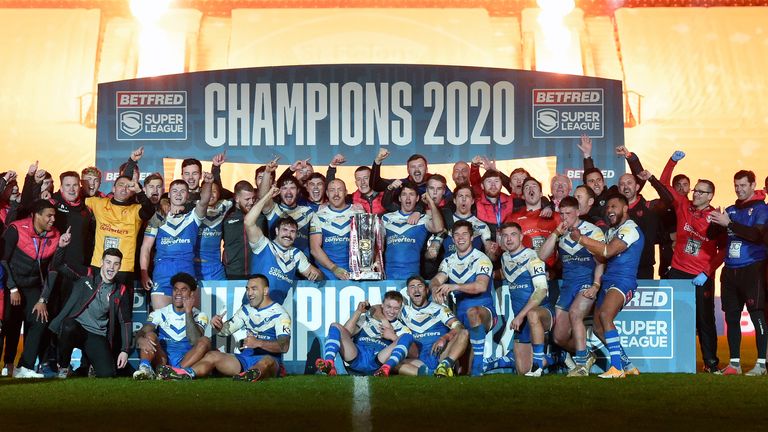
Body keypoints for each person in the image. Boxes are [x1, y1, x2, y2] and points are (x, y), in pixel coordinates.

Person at [639, 151, 725, 373]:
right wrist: (672, 161)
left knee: (705, 320)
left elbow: (723, 250)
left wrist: (707, 272)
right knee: (678, 318)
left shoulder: (716, 218)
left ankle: (711, 363)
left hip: (701, 276)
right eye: (695, 190)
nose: (695, 194)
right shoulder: (683, 206)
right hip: (678, 273)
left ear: (710, 196)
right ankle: (680, 362)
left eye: (701, 191)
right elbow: (665, 183)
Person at [158, 274, 290, 382]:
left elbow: (284, 346)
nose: (249, 293)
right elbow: (225, 331)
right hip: (244, 359)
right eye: (247, 289)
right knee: (212, 355)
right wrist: (218, 326)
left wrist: (258, 343)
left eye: (254, 289)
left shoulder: (280, 314)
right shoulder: (246, 310)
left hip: (271, 361)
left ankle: (250, 375)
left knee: (266, 361)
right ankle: (186, 374)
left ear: (266, 291)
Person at [569, 194, 643, 379]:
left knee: (605, 315)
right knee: (598, 328)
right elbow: (602, 256)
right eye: (608, 207)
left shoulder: (630, 229)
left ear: (625, 208)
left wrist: (582, 239)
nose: (609, 210)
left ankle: (616, 368)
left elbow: (608, 251)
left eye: (614, 206)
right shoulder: (612, 231)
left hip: (623, 281)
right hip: (608, 281)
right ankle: (627, 365)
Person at [708, 170, 768, 376]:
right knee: (731, 317)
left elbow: (757, 235)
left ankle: (761, 364)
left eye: (743, 185)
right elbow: (712, 235)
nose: (739, 189)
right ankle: (734, 364)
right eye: (736, 185)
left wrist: (729, 224)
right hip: (730, 271)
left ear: (753, 185)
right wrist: (714, 222)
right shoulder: (731, 210)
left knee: (757, 315)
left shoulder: (761, 209)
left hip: (752, 269)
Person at [2, 199, 70, 378]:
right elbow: (2, 260)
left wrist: (43, 299)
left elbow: (53, 269)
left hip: (33, 287)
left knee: (40, 320)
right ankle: (7, 364)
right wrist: (12, 288)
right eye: (49, 215)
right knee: (10, 324)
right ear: (36, 215)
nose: (53, 219)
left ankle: (25, 367)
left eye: (54, 215)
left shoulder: (55, 235)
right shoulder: (16, 228)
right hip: (12, 285)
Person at [537, 196, 605, 377]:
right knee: (558, 337)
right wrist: (555, 233)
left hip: (586, 283)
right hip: (567, 286)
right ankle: (587, 354)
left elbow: (601, 260)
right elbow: (542, 256)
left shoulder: (593, 230)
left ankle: (581, 365)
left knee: (576, 314)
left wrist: (596, 285)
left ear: (578, 212)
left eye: (568, 213)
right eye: (562, 213)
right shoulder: (560, 232)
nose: (564, 217)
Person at [49, 248, 132, 378]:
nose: (111, 267)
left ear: (120, 266)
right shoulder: (87, 274)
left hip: (96, 334)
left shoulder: (120, 290)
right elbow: (58, 265)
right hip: (76, 329)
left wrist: (125, 350)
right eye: (108, 262)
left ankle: (87, 366)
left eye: (116, 264)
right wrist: (62, 247)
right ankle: (64, 368)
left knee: (107, 374)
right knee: (68, 325)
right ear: (101, 263)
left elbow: (125, 321)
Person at [429, 221, 494, 376]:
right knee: (462, 371)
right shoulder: (449, 261)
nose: (460, 238)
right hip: (460, 316)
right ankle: (498, 363)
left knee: (473, 312)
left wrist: (455, 286)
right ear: (452, 239)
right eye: (456, 235)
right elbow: (436, 280)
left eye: (465, 234)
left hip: (483, 311)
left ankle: (479, 364)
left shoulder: (482, 259)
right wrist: (434, 290)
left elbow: (481, 286)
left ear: (472, 237)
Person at [140, 174, 212, 310]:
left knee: (189, 322)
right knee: (162, 321)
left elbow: (204, 201)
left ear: (188, 196)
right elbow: (146, 247)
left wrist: (208, 183)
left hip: (186, 273)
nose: (178, 194)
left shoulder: (193, 217)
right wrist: (144, 273)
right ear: (169, 195)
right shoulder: (157, 218)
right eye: (174, 191)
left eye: (182, 191)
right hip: (162, 274)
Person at [245, 186, 321, 304]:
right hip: (251, 309)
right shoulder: (263, 245)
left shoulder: (297, 255)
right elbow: (248, 222)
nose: (288, 235)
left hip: (275, 312)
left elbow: (317, 274)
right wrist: (268, 196)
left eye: (292, 232)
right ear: (276, 231)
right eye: (285, 230)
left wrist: (317, 276)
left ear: (296, 235)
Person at [498, 222, 554, 376]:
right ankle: (555, 357)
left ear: (521, 236)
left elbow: (542, 291)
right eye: (505, 235)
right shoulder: (504, 258)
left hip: (541, 315)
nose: (509, 239)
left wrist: (520, 316)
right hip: (521, 322)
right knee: (522, 371)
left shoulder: (533, 257)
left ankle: (538, 364)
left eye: (513, 234)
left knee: (532, 314)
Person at [316, 291, 414, 377]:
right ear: (382, 305)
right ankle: (329, 363)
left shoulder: (401, 327)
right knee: (335, 326)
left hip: (378, 361)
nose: (392, 311)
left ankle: (386, 368)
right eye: (389, 307)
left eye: (396, 308)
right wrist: (358, 312)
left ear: (400, 308)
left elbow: (412, 353)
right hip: (356, 357)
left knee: (407, 336)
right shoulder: (366, 319)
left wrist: (393, 336)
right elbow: (346, 333)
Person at [132, 272, 210, 380]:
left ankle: (178, 373)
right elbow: (143, 331)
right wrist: (140, 339)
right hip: (162, 362)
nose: (178, 293)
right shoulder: (160, 313)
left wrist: (188, 312)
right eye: (175, 289)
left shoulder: (200, 315)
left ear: (191, 294)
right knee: (149, 335)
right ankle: (145, 369)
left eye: (183, 290)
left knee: (205, 341)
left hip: (186, 361)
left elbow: (195, 340)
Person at [86, 173, 154, 287]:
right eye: (121, 185)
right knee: (96, 302)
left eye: (128, 186)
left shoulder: (136, 209)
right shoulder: (98, 203)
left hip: (124, 268)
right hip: (99, 264)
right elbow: (74, 199)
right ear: (113, 188)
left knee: (122, 304)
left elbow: (149, 210)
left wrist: (139, 191)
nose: (124, 188)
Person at [399, 276, 468, 377]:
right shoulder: (403, 312)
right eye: (412, 287)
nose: (416, 290)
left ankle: (444, 365)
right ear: (408, 293)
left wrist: (444, 338)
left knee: (464, 333)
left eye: (419, 286)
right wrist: (369, 308)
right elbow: (382, 309)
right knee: (392, 362)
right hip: (418, 360)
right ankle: (431, 373)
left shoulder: (440, 309)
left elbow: (459, 327)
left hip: (440, 354)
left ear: (427, 290)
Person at [382, 181, 444, 280]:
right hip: (389, 277)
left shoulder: (423, 218)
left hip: (413, 279)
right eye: (404, 194)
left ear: (417, 198)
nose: (407, 198)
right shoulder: (386, 218)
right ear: (399, 198)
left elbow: (439, 228)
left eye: (411, 194)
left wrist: (430, 203)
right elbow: (377, 245)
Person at [259, 159, 315, 257]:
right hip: (278, 265)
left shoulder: (308, 212)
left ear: (298, 191)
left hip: (303, 267)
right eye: (284, 188)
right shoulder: (273, 209)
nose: (288, 192)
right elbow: (263, 197)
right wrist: (267, 172)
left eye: (292, 188)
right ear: (279, 191)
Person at [310, 179, 365, 280]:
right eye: (332, 190)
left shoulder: (358, 213)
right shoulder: (318, 216)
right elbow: (315, 249)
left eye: (340, 190)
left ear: (346, 192)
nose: (336, 194)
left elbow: (367, 243)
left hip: (356, 272)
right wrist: (334, 268)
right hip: (328, 273)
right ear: (327, 193)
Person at [222, 180, 267, 280]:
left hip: (257, 272)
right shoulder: (226, 216)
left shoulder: (260, 215)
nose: (251, 202)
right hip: (232, 273)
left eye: (253, 198)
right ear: (237, 198)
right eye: (247, 199)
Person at [195, 181, 233, 281]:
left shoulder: (225, 206)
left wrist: (211, 181)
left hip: (216, 268)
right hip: (195, 267)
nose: (211, 194)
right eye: (207, 191)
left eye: (214, 191)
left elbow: (235, 194)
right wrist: (164, 200)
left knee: (225, 296)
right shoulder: (193, 208)